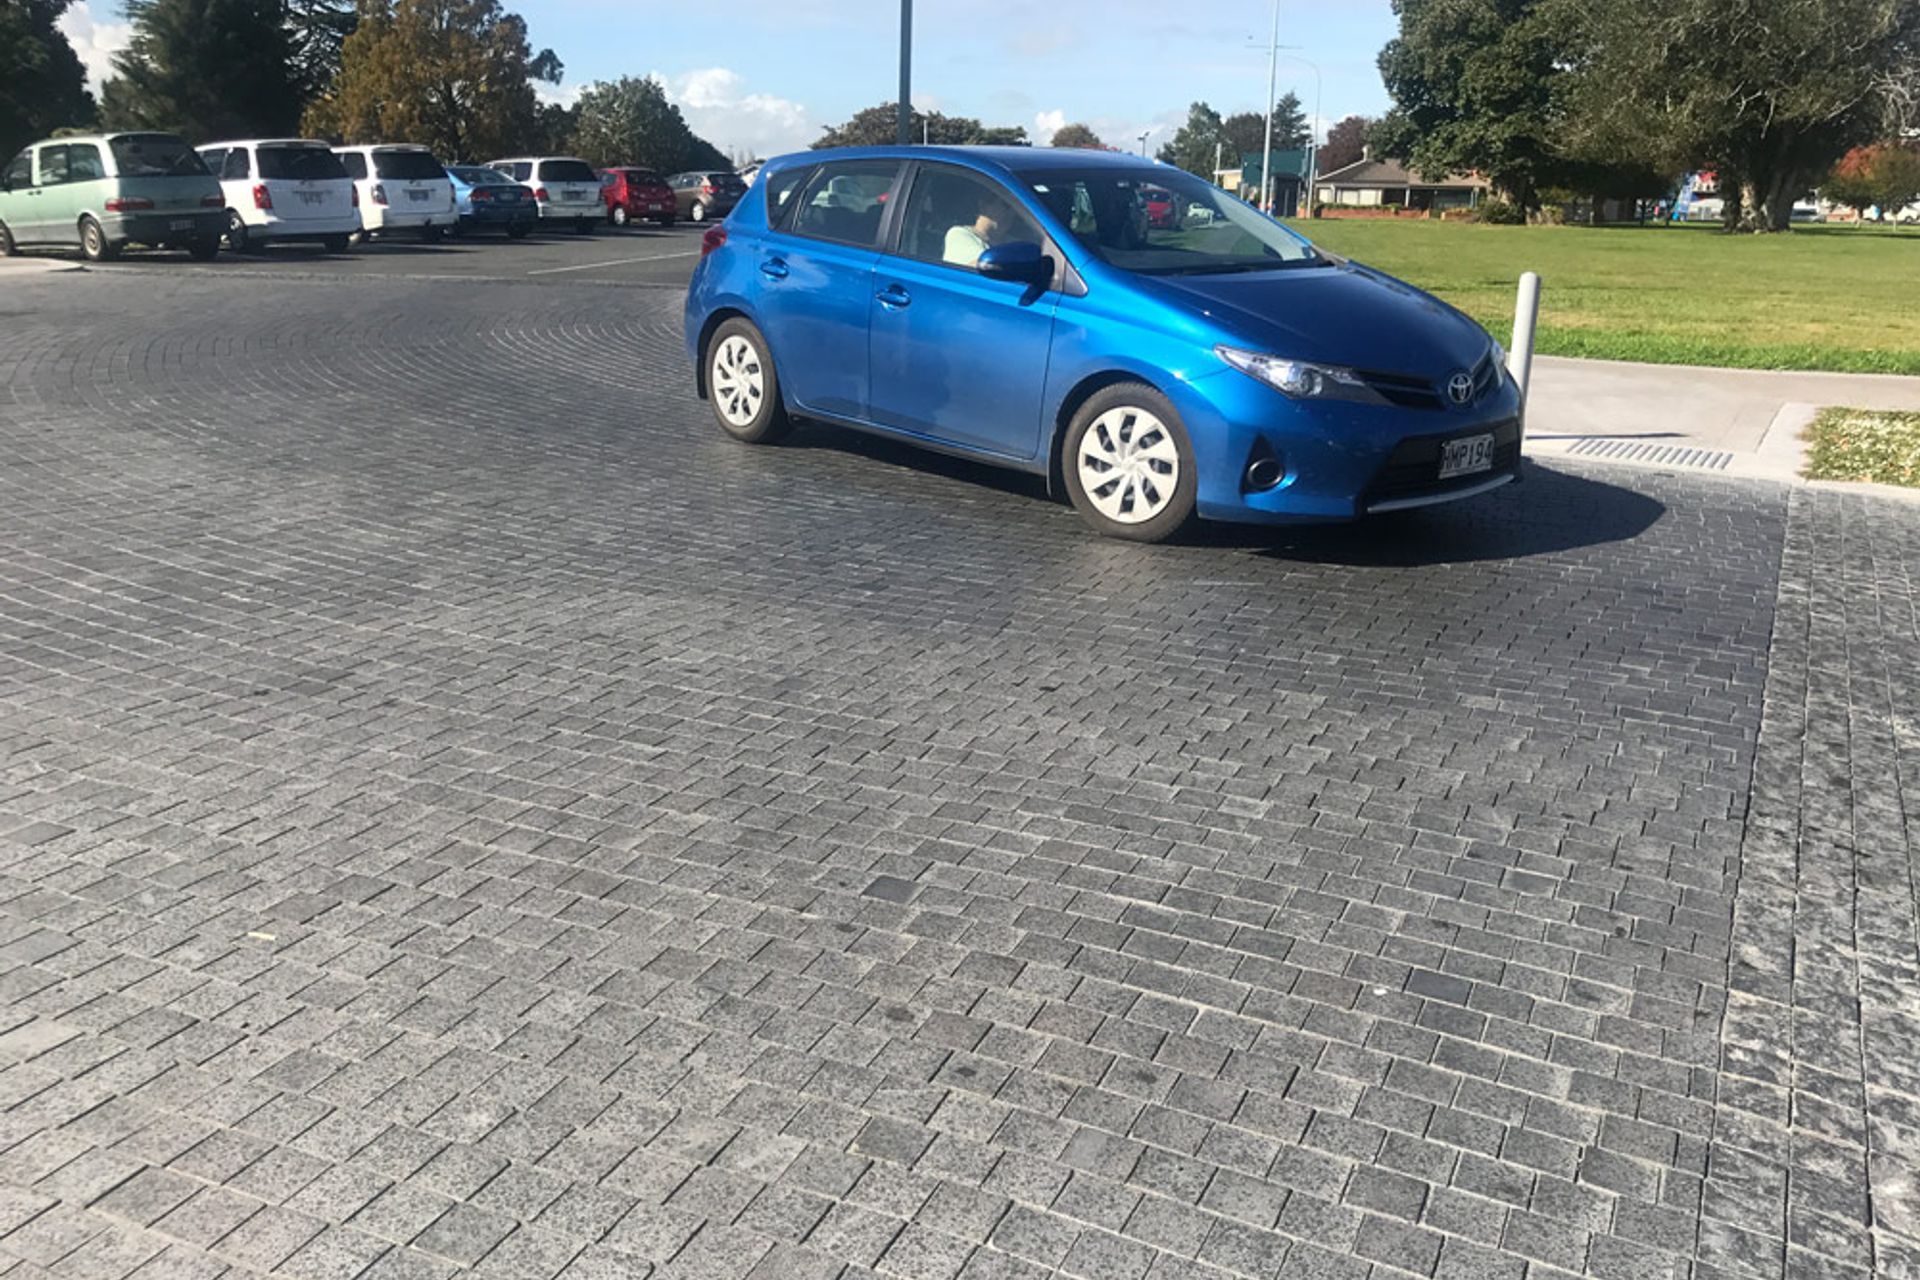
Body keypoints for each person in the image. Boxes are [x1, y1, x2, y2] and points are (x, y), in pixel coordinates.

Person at [944, 193, 1003, 266]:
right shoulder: (958, 234)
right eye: (1005, 206)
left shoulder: (1010, 241)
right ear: (983, 205)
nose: (1010, 213)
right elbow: (984, 265)